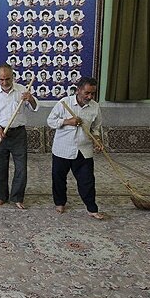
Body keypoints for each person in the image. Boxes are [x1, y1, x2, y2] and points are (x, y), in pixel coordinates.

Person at [0, 65, 38, 210]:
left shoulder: (22, 90)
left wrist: (30, 99)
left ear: (13, 77)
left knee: (21, 167)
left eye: (7, 79)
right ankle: (1, 196)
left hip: (18, 134)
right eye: (1, 79)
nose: (5, 82)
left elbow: (35, 108)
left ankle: (17, 197)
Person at [47, 77, 104, 220]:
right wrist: (67, 121)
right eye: (86, 93)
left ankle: (91, 208)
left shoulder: (95, 107)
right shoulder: (64, 103)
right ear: (78, 90)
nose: (89, 97)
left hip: (84, 150)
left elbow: (96, 128)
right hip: (62, 149)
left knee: (87, 180)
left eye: (92, 94)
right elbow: (50, 121)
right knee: (59, 178)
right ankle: (60, 202)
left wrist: (97, 140)